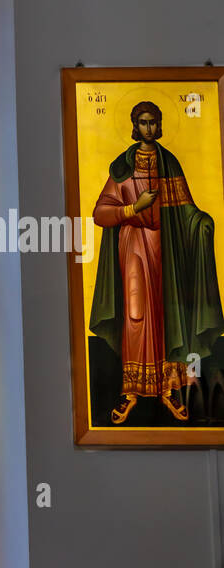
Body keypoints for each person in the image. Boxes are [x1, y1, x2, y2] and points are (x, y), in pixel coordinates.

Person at [90, 101, 224, 424]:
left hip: (166, 250)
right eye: (144, 123)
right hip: (133, 245)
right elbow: (99, 214)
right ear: (136, 126)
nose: (149, 128)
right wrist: (133, 207)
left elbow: (186, 211)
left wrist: (202, 223)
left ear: (159, 125)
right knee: (137, 315)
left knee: (167, 316)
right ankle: (131, 390)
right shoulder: (122, 166)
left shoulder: (169, 164)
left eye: (154, 122)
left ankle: (169, 387)